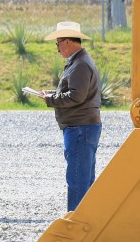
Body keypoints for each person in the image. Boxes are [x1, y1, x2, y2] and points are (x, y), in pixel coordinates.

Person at [40, 21, 102, 212]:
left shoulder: (80, 65)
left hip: (79, 127)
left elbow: (76, 96)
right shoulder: (80, 61)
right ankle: (84, 220)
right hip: (83, 126)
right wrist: (52, 94)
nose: (57, 48)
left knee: (77, 180)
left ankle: (75, 223)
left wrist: (51, 99)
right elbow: (75, 91)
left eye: (58, 43)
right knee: (83, 178)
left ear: (67, 41)